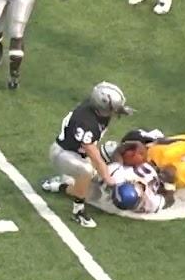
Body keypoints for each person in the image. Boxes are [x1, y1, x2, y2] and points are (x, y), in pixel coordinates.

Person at [41, 81, 134, 228]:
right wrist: (107, 177)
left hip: (78, 153)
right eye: (114, 109)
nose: (116, 112)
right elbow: (93, 153)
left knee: (90, 191)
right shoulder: (87, 122)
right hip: (63, 154)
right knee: (87, 172)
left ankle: (60, 185)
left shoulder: (97, 109)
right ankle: (78, 212)